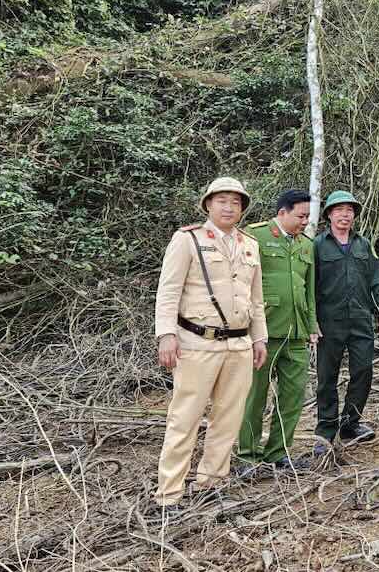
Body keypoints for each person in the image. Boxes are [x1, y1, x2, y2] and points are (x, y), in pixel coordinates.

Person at [153, 176, 267, 511]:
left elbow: (256, 299)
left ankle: (212, 484)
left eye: (236, 202)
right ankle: (169, 494)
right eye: (222, 200)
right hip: (196, 343)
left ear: (243, 208)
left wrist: (259, 337)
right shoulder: (187, 239)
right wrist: (166, 335)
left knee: (228, 419)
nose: (229, 207)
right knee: (184, 418)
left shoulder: (249, 244)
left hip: (239, 346)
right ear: (208, 204)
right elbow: (168, 290)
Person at [236, 190, 320, 475]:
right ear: (282, 212)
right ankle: (247, 454)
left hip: (295, 333)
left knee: (293, 397)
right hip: (263, 332)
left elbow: (309, 289)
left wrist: (312, 326)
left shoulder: (307, 245)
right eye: (301, 216)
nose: (305, 222)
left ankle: (278, 453)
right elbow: (241, 282)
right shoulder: (255, 236)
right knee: (255, 396)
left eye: (308, 216)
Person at [312, 191, 379, 454]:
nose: (345, 215)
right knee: (327, 377)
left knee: (363, 372)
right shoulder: (317, 245)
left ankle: (350, 424)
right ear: (329, 215)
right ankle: (325, 430)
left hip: (360, 320)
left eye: (349, 210)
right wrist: (311, 320)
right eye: (339, 210)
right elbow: (309, 285)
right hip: (329, 321)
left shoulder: (363, 244)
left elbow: (375, 281)